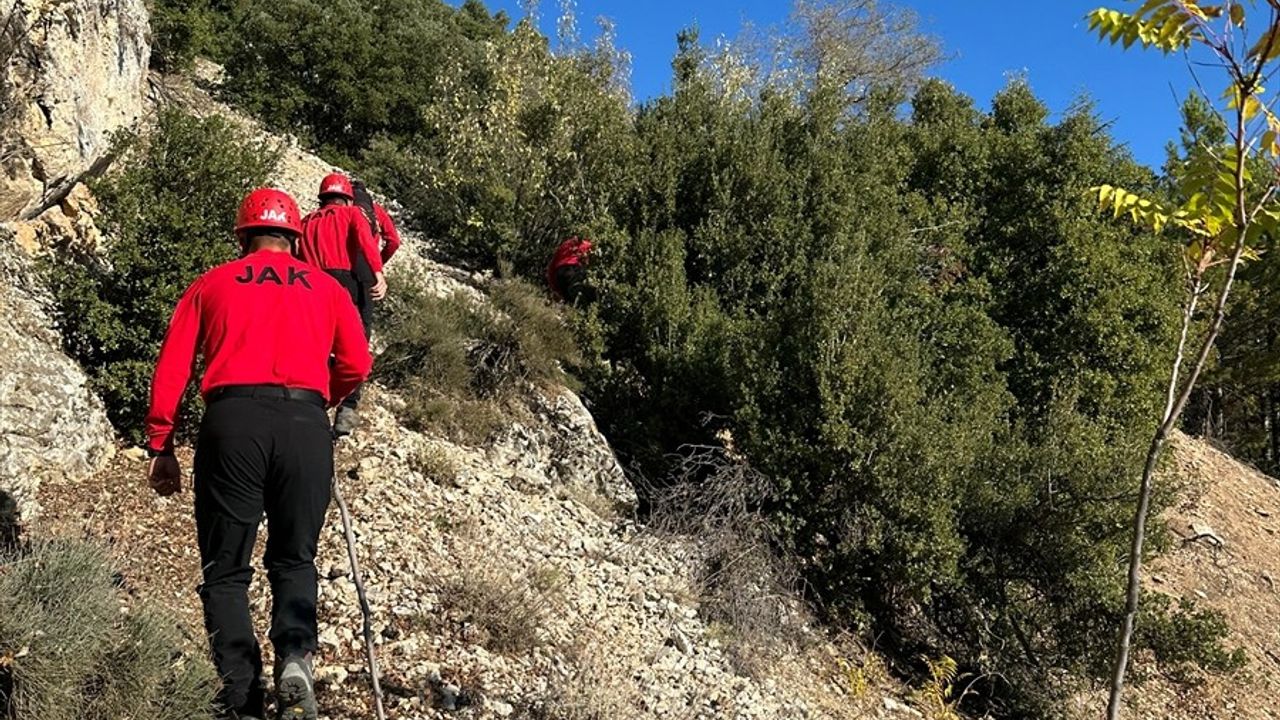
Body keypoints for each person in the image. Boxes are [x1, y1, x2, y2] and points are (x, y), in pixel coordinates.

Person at [144, 188, 372, 720]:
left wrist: (161, 443)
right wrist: (321, 399)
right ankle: (294, 656)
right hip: (305, 422)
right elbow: (358, 363)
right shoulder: (325, 287)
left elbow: (173, 366)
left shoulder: (211, 283)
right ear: (295, 237)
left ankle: (241, 697)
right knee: (295, 557)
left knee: (226, 570)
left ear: (243, 235)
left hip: (233, 421)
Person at [296, 173, 386, 436]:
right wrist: (378, 272)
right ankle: (346, 406)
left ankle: (311, 400)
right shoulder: (353, 215)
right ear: (347, 198)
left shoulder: (306, 221)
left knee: (315, 346)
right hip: (344, 283)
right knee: (353, 343)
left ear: (322, 198)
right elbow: (366, 243)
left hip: (311, 284)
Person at [546, 235, 593, 304]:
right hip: (571, 268)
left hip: (559, 273)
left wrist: (554, 287)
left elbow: (551, 267)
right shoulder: (585, 244)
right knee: (579, 285)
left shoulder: (565, 244)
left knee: (568, 298)